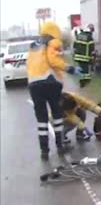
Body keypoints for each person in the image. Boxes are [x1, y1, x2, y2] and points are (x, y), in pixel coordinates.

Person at [26, 21, 80, 160]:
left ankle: (44, 151)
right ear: (54, 32)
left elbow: (29, 64)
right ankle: (60, 146)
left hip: (34, 85)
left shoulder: (33, 45)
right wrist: (70, 68)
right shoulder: (53, 42)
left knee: (41, 120)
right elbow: (53, 60)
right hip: (50, 83)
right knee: (57, 116)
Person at [73, 23, 95, 88]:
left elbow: (74, 45)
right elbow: (92, 48)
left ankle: (82, 82)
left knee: (81, 69)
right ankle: (85, 82)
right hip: (85, 57)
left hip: (78, 56)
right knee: (86, 70)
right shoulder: (89, 37)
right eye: (92, 30)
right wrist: (92, 57)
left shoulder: (79, 35)